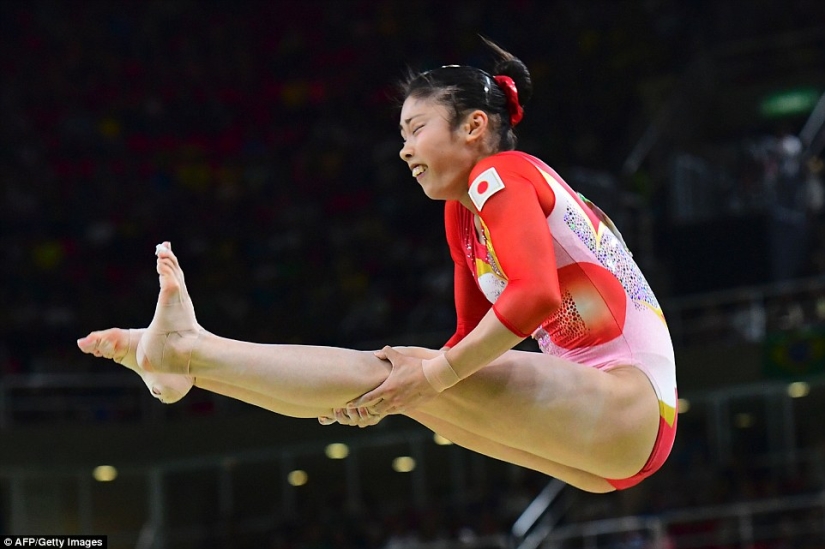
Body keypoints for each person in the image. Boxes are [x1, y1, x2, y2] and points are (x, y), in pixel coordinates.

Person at [77, 39, 677, 493]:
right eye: (401, 134)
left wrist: (426, 379)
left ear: (474, 127)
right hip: (604, 441)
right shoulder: (463, 214)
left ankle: (187, 351)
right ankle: (189, 365)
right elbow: (466, 343)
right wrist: (406, 392)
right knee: (399, 384)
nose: (404, 149)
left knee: (402, 372)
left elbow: (535, 296)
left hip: (627, 402)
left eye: (416, 129)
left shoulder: (503, 175)